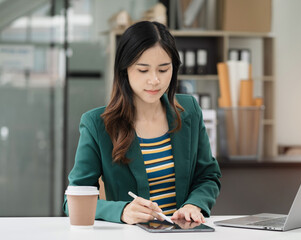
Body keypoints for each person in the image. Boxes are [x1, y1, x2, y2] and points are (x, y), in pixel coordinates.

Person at [63, 21, 221, 224]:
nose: (154, 80)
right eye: (143, 70)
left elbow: (208, 176)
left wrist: (194, 204)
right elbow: (72, 200)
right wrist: (122, 211)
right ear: (125, 70)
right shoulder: (97, 125)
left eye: (163, 70)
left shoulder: (189, 110)